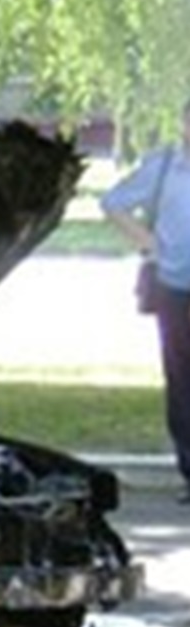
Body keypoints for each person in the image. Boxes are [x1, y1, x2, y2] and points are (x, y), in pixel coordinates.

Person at [102, 98, 190, 500]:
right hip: (174, 287)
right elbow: (113, 202)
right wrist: (149, 243)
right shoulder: (165, 166)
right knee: (182, 381)